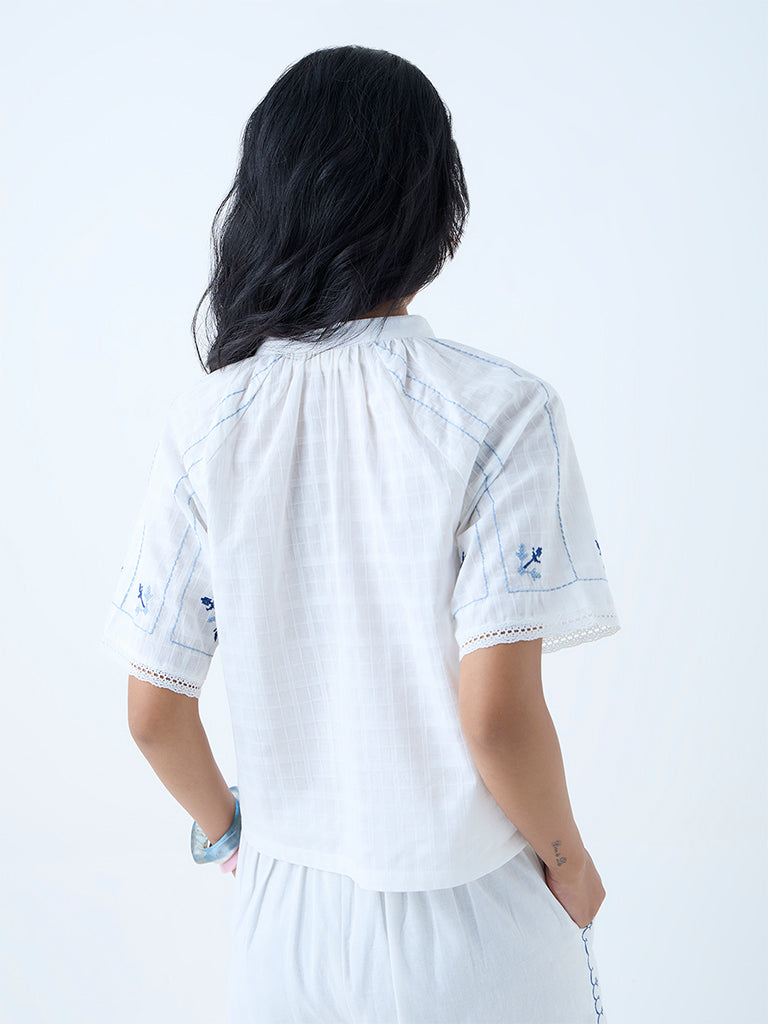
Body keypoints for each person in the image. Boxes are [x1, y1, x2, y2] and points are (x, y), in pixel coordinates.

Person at [102, 44, 620, 1024]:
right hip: (472, 927)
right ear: (434, 209)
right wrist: (570, 859)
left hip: (278, 934)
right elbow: (497, 718)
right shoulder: (502, 413)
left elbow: (152, 711)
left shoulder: (207, 425)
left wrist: (232, 837)